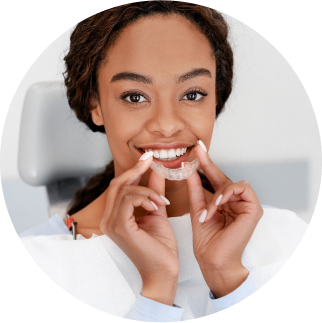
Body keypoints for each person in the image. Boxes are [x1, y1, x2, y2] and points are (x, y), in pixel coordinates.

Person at [19, 1, 308, 321]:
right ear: (95, 105)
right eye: (134, 96)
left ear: (216, 98)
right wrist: (156, 290)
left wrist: (228, 278)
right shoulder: (33, 263)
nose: (168, 124)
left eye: (193, 94)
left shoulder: (289, 239)